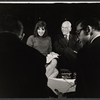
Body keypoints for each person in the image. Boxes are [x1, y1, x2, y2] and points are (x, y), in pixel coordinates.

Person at [0, 15, 48, 98]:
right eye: (39, 29)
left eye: (43, 29)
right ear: (21, 36)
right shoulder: (35, 57)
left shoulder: (47, 40)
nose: (41, 31)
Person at [75, 17, 100, 98]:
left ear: (88, 29)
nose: (77, 38)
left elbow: (82, 89)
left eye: (78, 33)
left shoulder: (85, 52)